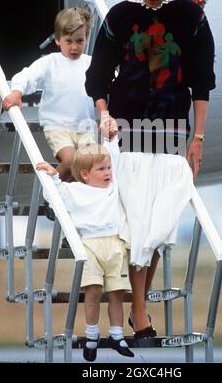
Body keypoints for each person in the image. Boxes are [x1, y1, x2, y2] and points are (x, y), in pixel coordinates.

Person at [85, 0, 215, 339]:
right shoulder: (121, 15)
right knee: (136, 227)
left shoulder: (191, 16)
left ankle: (138, 310)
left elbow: (202, 81)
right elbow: (98, 76)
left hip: (174, 130)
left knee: (158, 229)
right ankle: (140, 314)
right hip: (127, 129)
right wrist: (103, 113)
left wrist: (198, 139)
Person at [36, 118, 134, 362]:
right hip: (89, 245)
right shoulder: (75, 191)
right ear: (85, 174)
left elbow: (115, 157)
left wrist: (111, 140)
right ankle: (92, 335)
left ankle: (117, 334)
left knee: (116, 294)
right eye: (102, 170)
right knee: (92, 292)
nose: (108, 173)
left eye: (108, 168)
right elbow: (54, 195)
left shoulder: (114, 187)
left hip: (115, 244)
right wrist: (52, 176)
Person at [2, 7, 97, 226]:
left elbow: (113, 82)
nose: (74, 47)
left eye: (80, 41)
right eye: (69, 41)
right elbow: (26, 75)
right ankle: (51, 196)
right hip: (58, 126)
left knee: (88, 169)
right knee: (71, 159)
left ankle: (67, 208)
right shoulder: (50, 63)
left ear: (87, 39)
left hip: (85, 127)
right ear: (57, 40)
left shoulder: (91, 63)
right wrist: (17, 91)